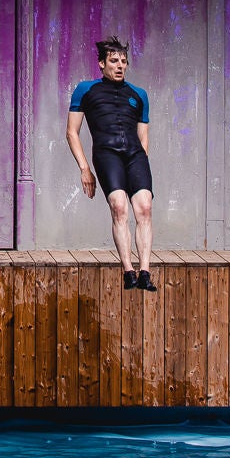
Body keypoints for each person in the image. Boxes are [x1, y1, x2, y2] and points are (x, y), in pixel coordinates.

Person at [67, 36, 157, 291]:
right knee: (119, 207)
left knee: (145, 208)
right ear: (101, 64)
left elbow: (144, 135)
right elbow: (72, 132)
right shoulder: (86, 90)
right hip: (107, 154)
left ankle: (145, 272)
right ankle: (128, 270)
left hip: (135, 155)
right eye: (114, 61)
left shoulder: (138, 95)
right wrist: (85, 169)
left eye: (124, 61)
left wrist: (142, 167)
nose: (120, 66)